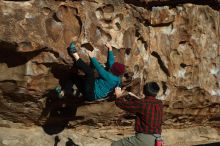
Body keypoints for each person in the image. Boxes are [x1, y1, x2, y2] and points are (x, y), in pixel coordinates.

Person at [55, 42, 126, 102]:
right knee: (73, 76)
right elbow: (111, 62)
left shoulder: (110, 78)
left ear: (113, 70)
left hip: (91, 93)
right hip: (90, 92)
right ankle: (63, 93)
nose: (112, 66)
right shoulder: (117, 77)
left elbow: (99, 69)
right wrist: (110, 49)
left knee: (90, 73)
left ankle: (74, 54)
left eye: (112, 67)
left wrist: (92, 57)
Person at [111, 82, 163, 146]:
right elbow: (147, 105)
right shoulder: (160, 104)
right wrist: (134, 97)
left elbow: (121, 104)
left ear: (144, 91)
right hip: (157, 139)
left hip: (144, 139)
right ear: (156, 93)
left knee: (115, 145)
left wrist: (118, 95)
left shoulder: (142, 104)